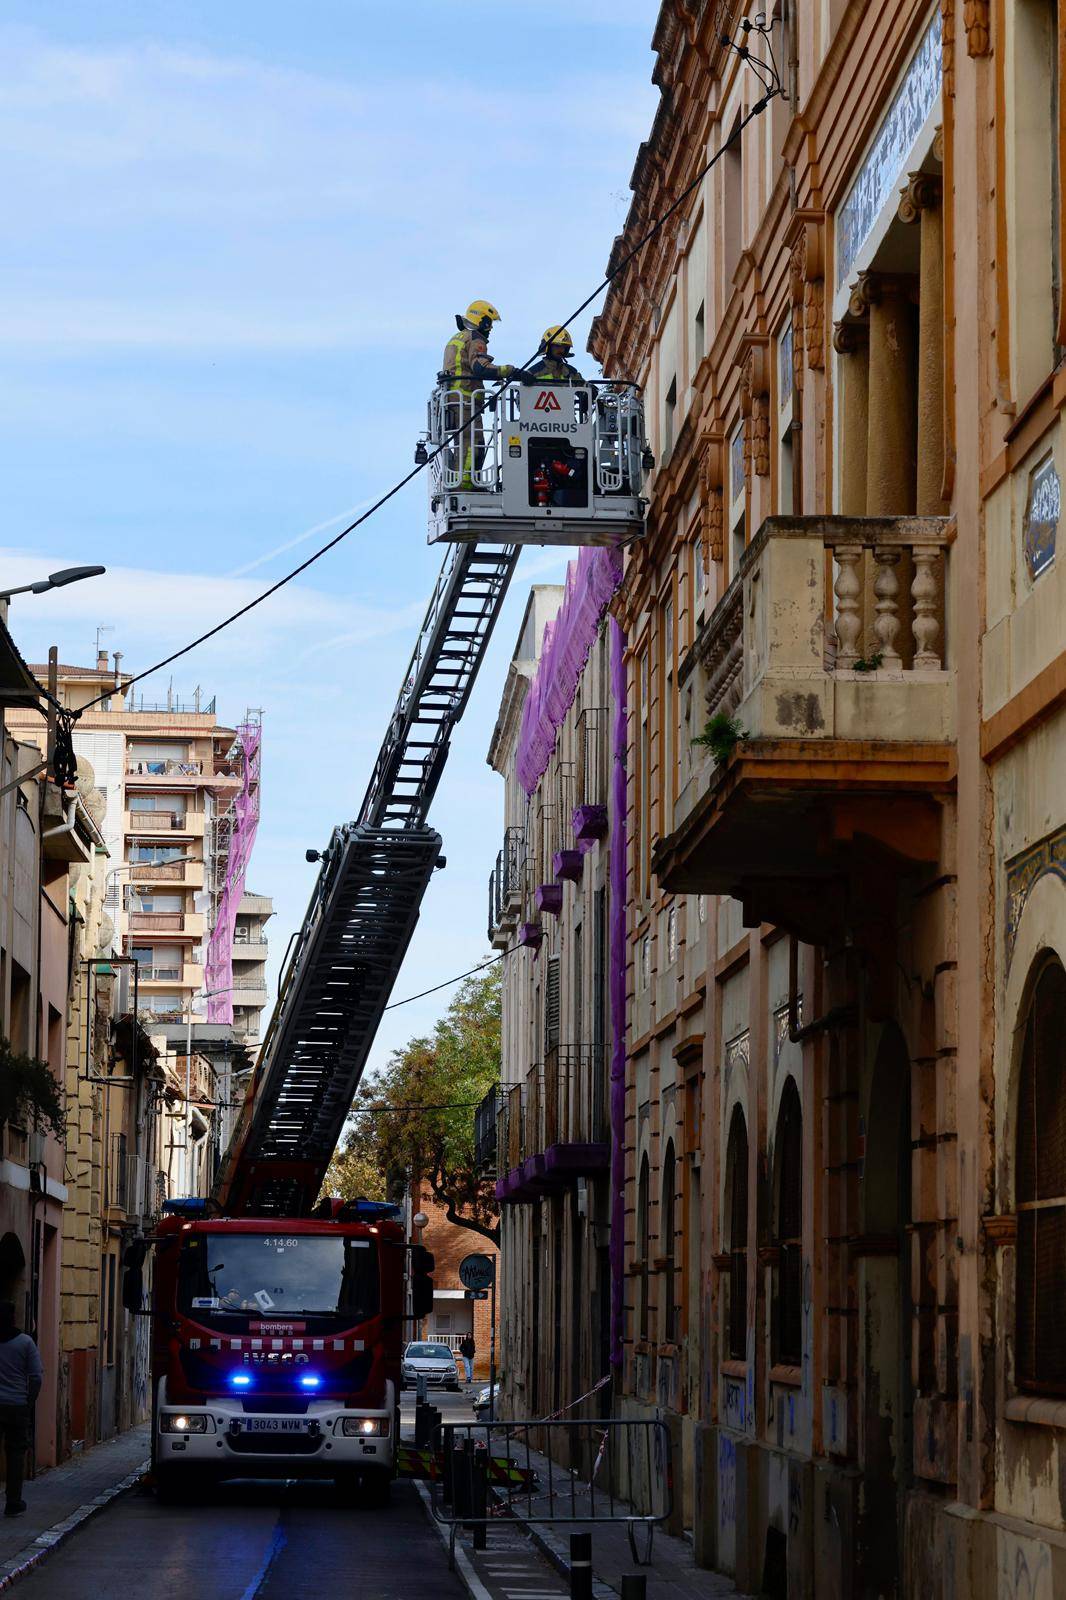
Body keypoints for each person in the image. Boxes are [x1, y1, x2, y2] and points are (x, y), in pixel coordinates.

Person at [440, 300, 531, 487]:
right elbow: (479, 367)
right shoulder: (475, 338)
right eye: (489, 323)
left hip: (453, 400)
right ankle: (467, 486)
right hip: (466, 402)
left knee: (463, 445)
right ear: (481, 321)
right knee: (473, 445)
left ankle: (463, 483)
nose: (490, 329)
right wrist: (513, 371)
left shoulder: (457, 337)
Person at [0, 1301, 42, 1518]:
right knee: (16, 1454)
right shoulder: (25, 1343)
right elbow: (36, 1376)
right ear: (13, 1318)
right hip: (17, 1405)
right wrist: (29, 1402)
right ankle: (13, 1501)